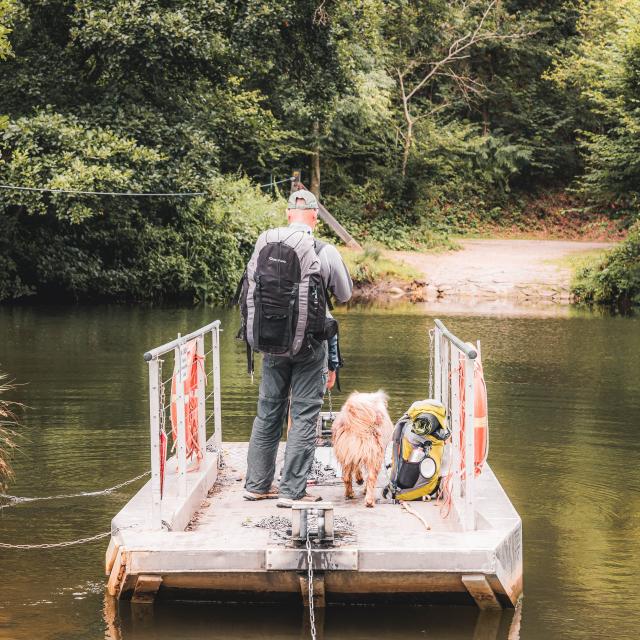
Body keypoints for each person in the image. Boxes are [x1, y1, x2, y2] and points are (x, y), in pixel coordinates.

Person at [243, 189, 353, 507]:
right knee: (304, 414)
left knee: (268, 410)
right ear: (315, 218)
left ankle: (257, 485)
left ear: (288, 214)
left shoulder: (266, 242)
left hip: (272, 343)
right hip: (309, 346)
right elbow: (344, 295)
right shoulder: (324, 250)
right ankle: (292, 491)